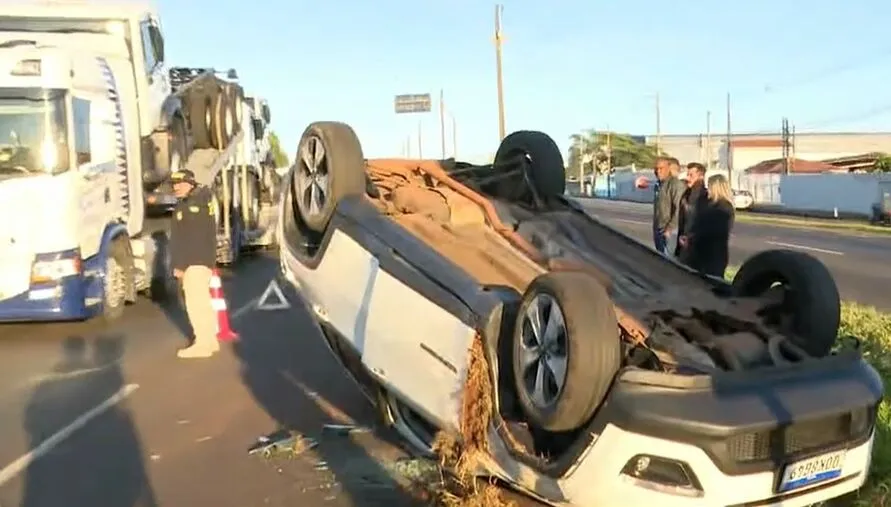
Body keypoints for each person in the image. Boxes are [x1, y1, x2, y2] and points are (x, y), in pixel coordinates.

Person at [169, 169, 220, 359]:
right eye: (174, 184)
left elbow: (190, 238)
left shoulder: (192, 205)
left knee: (196, 303)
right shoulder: (202, 200)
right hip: (201, 261)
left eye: (180, 183)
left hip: (193, 262)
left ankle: (203, 344)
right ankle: (209, 340)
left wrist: (181, 264)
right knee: (203, 302)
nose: (176, 187)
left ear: (190, 183)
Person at [690, 174, 736, 277]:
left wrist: (694, 237)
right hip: (702, 253)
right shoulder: (709, 204)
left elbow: (715, 231)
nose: (707, 190)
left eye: (709, 187)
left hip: (714, 255)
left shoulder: (723, 207)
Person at [675, 162, 709, 268]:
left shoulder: (705, 197)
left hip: (695, 245)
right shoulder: (687, 194)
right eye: (687, 174)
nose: (688, 178)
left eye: (691, 175)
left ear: (701, 176)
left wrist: (691, 238)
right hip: (683, 242)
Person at [651, 157, 684, 255]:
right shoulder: (658, 185)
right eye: (656, 169)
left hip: (669, 230)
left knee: (669, 260)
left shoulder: (675, 184)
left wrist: (670, 228)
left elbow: (679, 209)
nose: (658, 171)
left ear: (669, 169)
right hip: (658, 228)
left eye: (661, 168)